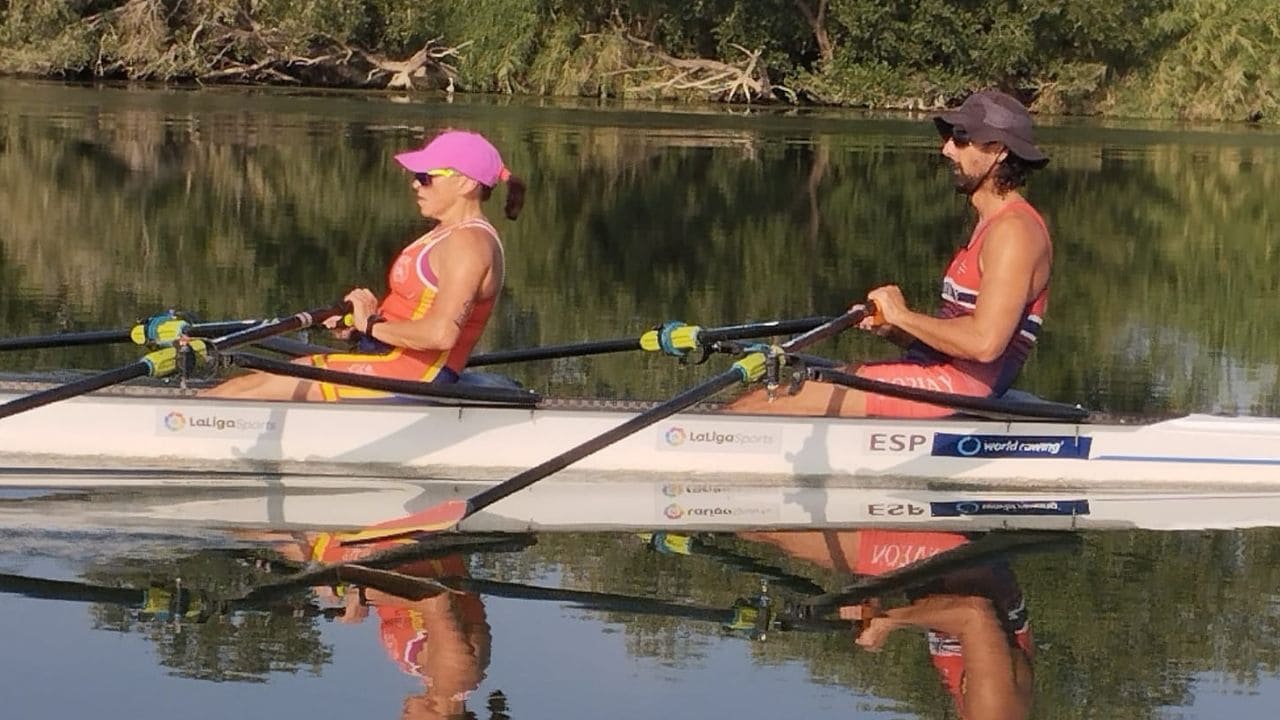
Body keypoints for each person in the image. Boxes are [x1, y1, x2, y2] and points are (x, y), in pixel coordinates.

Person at [729, 89, 1052, 417]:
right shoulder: (992, 225)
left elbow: (985, 344)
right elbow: (959, 343)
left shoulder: (1014, 232)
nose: (946, 148)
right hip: (942, 374)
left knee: (762, 405)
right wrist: (895, 329)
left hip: (958, 389)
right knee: (774, 394)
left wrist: (902, 315)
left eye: (960, 138)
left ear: (997, 150)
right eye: (947, 136)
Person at [203, 129, 526, 401]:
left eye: (426, 177)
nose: (415, 184)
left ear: (466, 184)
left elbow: (440, 334)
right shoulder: (447, 233)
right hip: (390, 359)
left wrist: (368, 325)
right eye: (416, 176)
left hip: (414, 374)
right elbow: (415, 316)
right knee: (251, 381)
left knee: (242, 392)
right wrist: (360, 328)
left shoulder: (468, 244)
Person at [738, 530, 1035, 719]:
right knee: (778, 531)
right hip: (956, 557)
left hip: (938, 567)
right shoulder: (995, 714)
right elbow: (974, 615)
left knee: (768, 533)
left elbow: (947, 612)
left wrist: (872, 599)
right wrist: (889, 621)